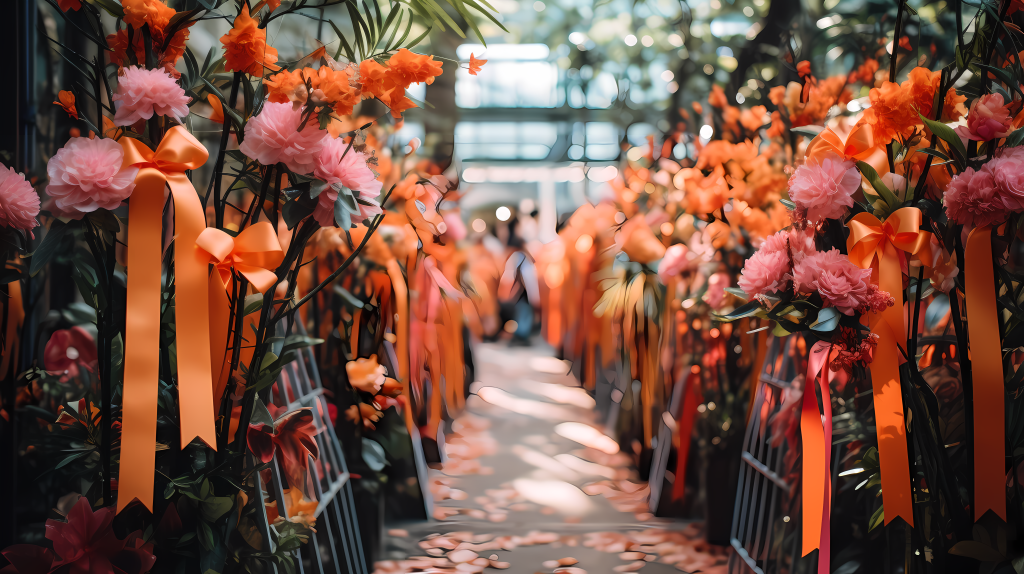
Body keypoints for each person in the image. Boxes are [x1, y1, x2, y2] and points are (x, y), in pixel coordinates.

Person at [497, 218, 539, 346]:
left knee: (521, 312)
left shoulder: (513, 255)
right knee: (524, 312)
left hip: (519, 291)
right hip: (523, 292)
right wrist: (534, 296)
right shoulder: (521, 256)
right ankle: (521, 335)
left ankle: (519, 334)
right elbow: (528, 277)